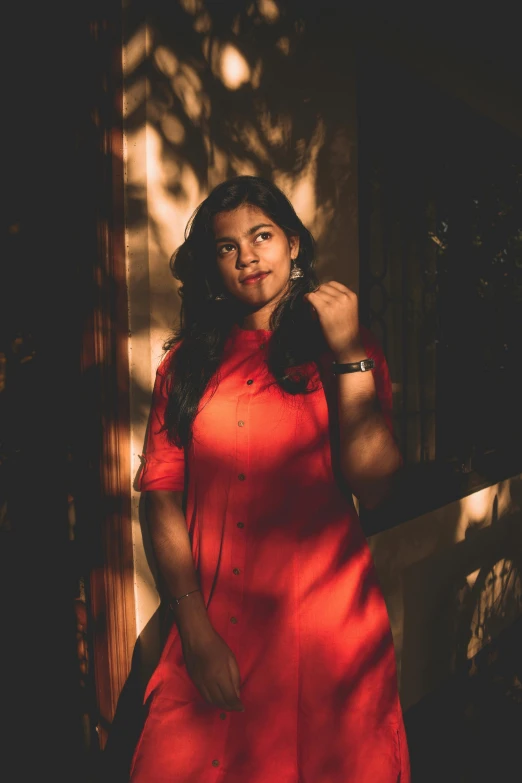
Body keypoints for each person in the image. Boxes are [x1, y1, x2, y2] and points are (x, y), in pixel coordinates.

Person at [130, 175, 410, 782]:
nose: (248, 255)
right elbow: (160, 500)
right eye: (227, 246)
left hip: (323, 632)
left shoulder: (343, 349)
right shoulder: (184, 367)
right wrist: (195, 631)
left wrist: (348, 355)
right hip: (211, 623)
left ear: (293, 245)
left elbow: (377, 486)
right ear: (212, 267)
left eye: (262, 235)